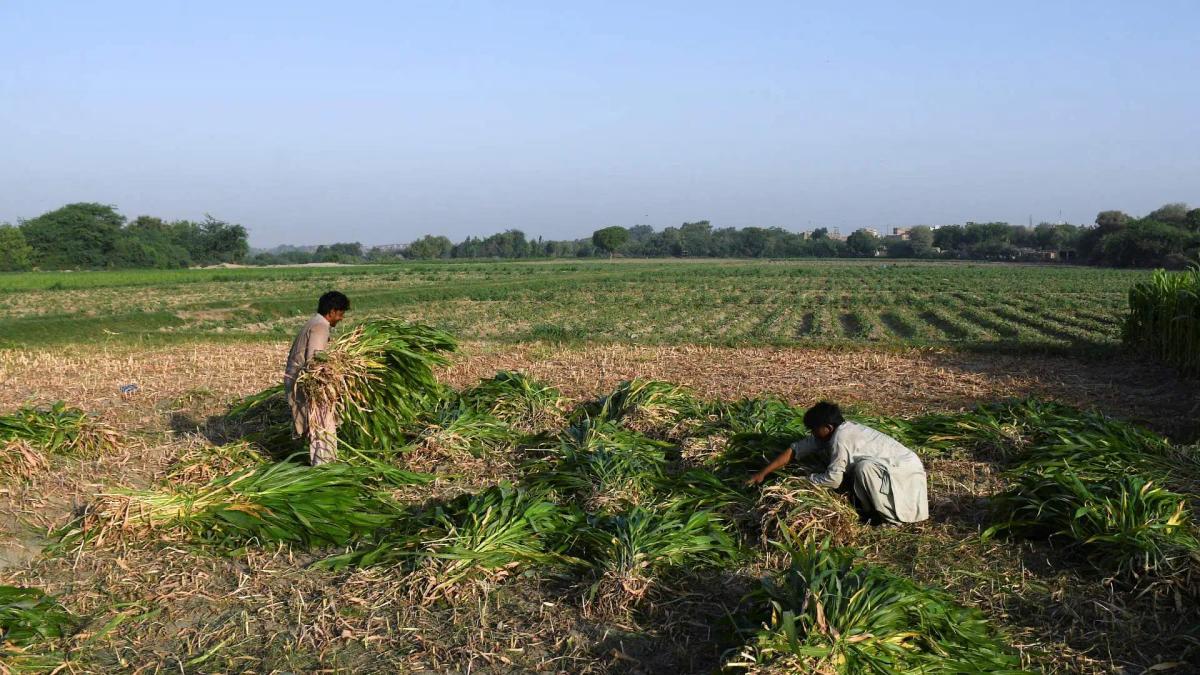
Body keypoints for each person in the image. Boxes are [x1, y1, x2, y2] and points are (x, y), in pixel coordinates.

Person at [746, 401, 929, 525]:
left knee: (864, 469)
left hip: (904, 472)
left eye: (814, 429)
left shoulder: (841, 438)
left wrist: (804, 481)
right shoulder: (833, 433)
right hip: (898, 467)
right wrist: (763, 473)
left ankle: (884, 518)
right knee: (862, 469)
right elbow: (796, 449)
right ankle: (868, 508)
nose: (813, 434)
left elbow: (832, 480)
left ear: (828, 428)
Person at [284, 291, 349, 465]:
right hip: (304, 384)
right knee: (322, 424)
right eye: (341, 314)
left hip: (297, 380)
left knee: (319, 424)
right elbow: (315, 361)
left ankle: (322, 462)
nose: (341, 318)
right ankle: (323, 466)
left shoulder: (314, 322)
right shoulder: (321, 326)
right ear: (333, 311)